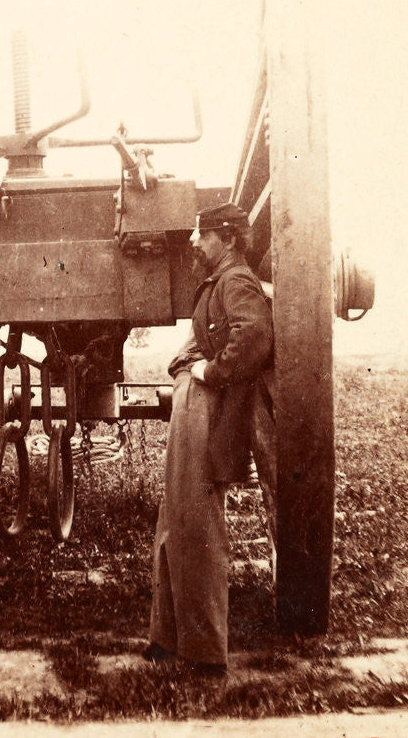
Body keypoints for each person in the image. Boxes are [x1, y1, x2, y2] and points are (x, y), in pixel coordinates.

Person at [145, 202, 276, 676]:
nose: (195, 242)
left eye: (204, 235)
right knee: (174, 521)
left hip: (209, 412)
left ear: (228, 239)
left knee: (197, 530)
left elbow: (255, 337)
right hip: (196, 408)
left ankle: (202, 652)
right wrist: (188, 363)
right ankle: (169, 638)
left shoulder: (235, 281)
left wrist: (210, 372)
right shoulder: (219, 282)